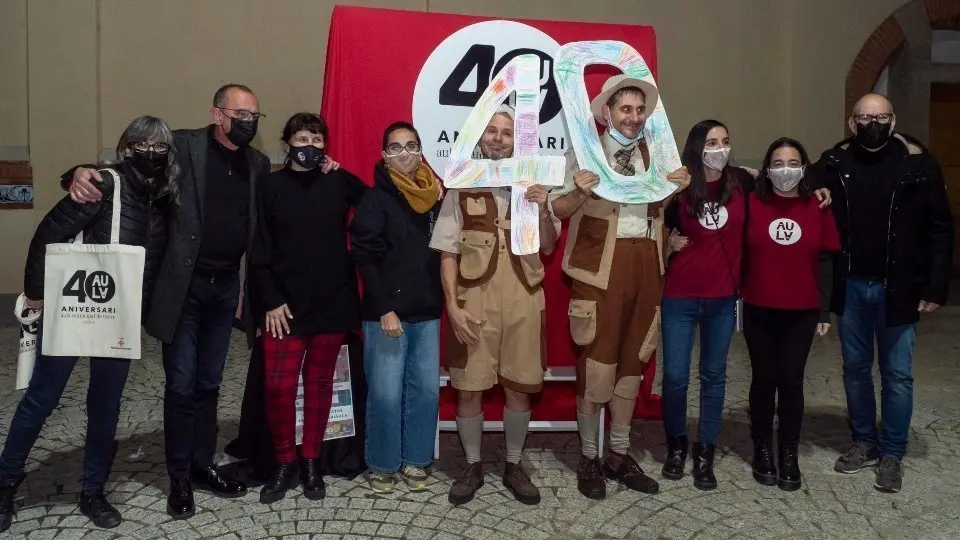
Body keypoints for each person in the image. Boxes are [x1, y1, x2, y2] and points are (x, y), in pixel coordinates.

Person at [63, 84, 272, 519]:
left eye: (255, 115)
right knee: (180, 384)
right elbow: (131, 162)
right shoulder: (183, 145)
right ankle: (178, 477)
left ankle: (200, 465)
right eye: (241, 113)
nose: (249, 121)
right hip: (182, 288)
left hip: (225, 288)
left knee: (210, 383)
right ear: (218, 114)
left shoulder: (258, 163)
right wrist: (79, 173)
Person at [0, 116, 179, 531]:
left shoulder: (165, 194)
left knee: (105, 406)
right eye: (142, 145)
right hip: (73, 308)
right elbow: (49, 234)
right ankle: (7, 480)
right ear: (126, 148)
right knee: (42, 398)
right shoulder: (102, 185)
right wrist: (35, 291)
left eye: (159, 147)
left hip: (119, 316)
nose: (151, 153)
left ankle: (93, 490)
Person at [549, 75, 690, 500]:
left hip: (648, 265)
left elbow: (661, 209)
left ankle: (619, 452)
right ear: (606, 113)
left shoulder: (658, 155)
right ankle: (589, 456)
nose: (632, 117)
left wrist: (675, 190)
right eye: (624, 109)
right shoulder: (586, 154)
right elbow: (557, 207)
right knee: (597, 365)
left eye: (638, 110)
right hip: (599, 270)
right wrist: (577, 190)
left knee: (633, 363)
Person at [811, 93, 953, 493]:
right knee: (855, 370)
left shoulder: (918, 166)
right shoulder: (834, 164)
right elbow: (792, 183)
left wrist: (935, 284)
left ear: (893, 121)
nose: (873, 123)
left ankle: (892, 451)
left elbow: (939, 228)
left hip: (899, 286)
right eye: (865, 117)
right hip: (852, 284)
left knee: (897, 374)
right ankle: (864, 443)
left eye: (881, 117)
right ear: (853, 123)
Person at [430, 104, 559, 506]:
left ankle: (514, 463)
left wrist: (541, 207)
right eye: (492, 132)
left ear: (517, 140)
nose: (499, 138)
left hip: (524, 298)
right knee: (469, 387)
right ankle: (472, 464)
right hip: (475, 302)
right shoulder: (463, 185)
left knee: (519, 386)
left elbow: (550, 245)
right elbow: (447, 252)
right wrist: (452, 307)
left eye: (507, 132)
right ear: (480, 138)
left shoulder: (534, 186)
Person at [249, 112, 367, 503]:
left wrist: (343, 171)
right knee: (279, 387)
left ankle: (313, 461)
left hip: (332, 301)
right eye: (303, 139)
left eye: (317, 140)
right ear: (287, 143)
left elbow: (372, 202)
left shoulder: (337, 184)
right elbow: (259, 245)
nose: (310, 147)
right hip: (284, 306)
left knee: (320, 386)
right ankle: (285, 462)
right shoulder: (269, 186)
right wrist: (270, 299)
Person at [741, 137, 839, 492]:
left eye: (793, 163)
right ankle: (763, 448)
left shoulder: (818, 205)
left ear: (804, 167)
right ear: (768, 168)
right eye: (778, 163)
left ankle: (788, 453)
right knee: (764, 380)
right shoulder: (753, 203)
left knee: (792, 382)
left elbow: (826, 261)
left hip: (802, 309)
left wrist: (824, 309)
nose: (786, 170)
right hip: (758, 307)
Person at [349, 122, 443, 494]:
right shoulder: (375, 199)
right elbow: (364, 256)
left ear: (421, 151)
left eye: (411, 145)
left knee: (425, 391)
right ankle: (382, 464)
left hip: (427, 310)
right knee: (386, 392)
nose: (404, 153)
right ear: (384, 156)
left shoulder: (435, 195)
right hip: (386, 314)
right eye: (396, 147)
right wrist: (385, 307)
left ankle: (417, 459)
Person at [659, 120, 752, 490]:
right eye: (712, 142)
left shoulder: (742, 182)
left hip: (722, 298)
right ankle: (677, 445)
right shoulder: (679, 185)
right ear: (697, 146)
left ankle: (705, 450)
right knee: (677, 376)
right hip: (680, 295)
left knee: (714, 377)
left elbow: (782, 190)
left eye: (726, 141)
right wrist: (668, 243)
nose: (720, 147)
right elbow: (655, 225)